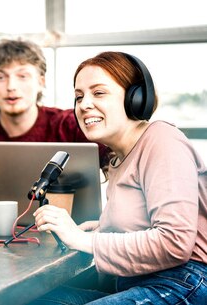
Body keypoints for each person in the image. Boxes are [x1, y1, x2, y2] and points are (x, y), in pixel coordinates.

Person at [31, 51, 207, 304]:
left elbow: (175, 242)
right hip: (138, 280)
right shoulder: (117, 157)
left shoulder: (162, 140)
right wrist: (106, 228)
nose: (84, 105)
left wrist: (84, 239)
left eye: (99, 93)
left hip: (184, 281)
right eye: (79, 97)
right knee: (28, 298)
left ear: (135, 98)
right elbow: (144, 222)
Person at [0, 38, 108, 207]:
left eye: (22, 76)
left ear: (41, 82)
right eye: (1, 77)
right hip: (4, 227)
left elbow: (115, 162)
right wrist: (6, 207)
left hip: (71, 226)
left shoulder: (69, 123)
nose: (11, 86)